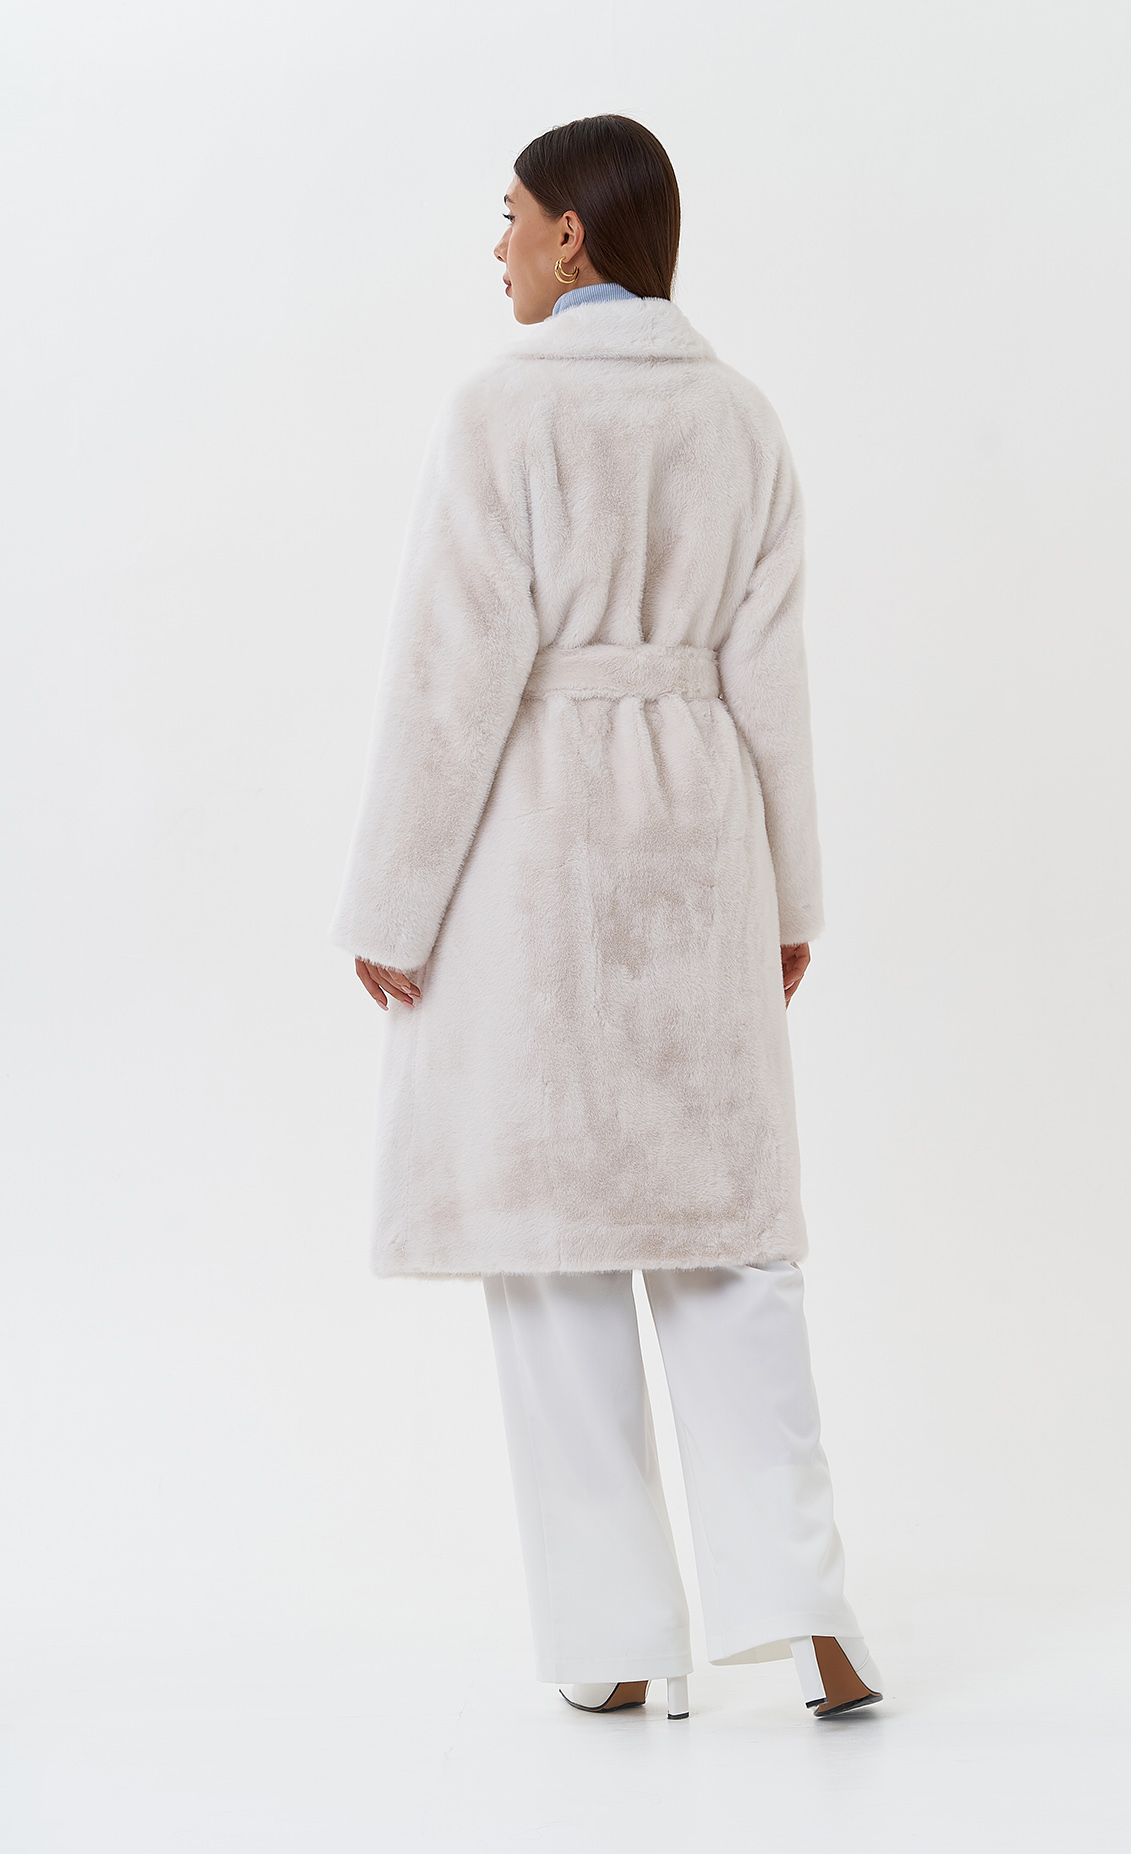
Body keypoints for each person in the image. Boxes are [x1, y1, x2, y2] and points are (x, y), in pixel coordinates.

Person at [332, 114, 882, 1723]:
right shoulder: (742, 417)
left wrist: (391, 901)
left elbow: (449, 679)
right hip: (704, 840)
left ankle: (620, 1639)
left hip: (541, 862)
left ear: (573, 232)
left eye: (510, 214)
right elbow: (774, 685)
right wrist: (789, 894)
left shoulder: (504, 413)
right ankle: (811, 1612)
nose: (495, 244)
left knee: (557, 1250)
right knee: (730, 1238)